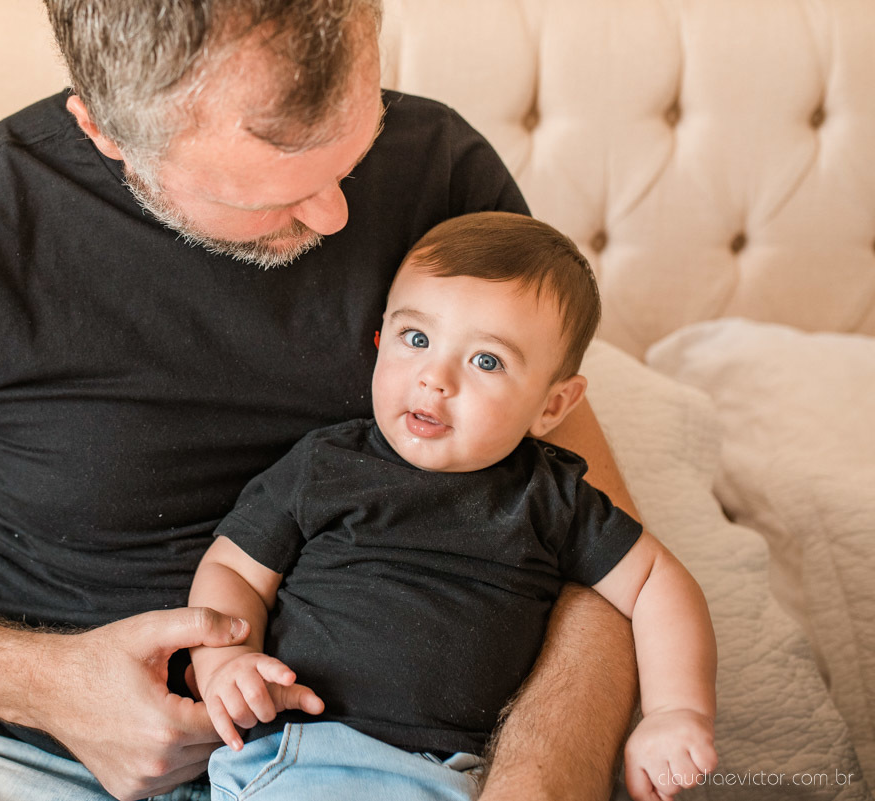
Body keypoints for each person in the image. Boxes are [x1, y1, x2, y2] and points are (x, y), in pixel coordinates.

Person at [0, 3, 643, 800]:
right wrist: (47, 684)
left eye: (351, 151)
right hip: (13, 750)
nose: (338, 215)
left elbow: (604, 551)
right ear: (106, 132)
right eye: (280, 187)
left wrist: (539, 780)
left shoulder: (444, 172)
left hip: (380, 756)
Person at [188, 212, 718, 801]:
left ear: (552, 406)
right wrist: (226, 662)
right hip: (303, 751)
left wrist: (676, 709)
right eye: (416, 339)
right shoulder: (325, 465)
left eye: (486, 360)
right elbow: (234, 569)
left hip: (466, 777)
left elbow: (656, 583)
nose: (434, 378)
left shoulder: (551, 498)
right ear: (378, 343)